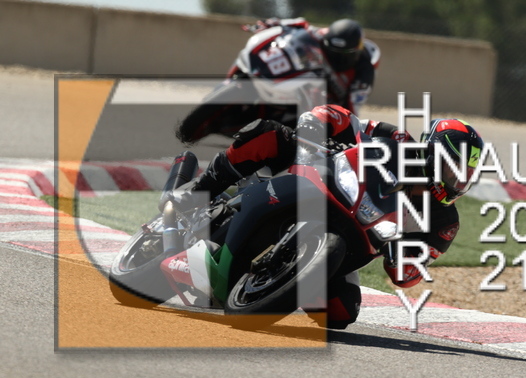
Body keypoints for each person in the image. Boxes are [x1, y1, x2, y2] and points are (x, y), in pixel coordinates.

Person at [166, 104, 484, 329]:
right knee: (270, 134)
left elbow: (408, 274)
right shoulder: (398, 141)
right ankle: (198, 191)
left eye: (466, 175)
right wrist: (316, 127)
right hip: (320, 180)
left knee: (343, 312)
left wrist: (401, 257)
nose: (458, 181)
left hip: (352, 242)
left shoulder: (444, 223)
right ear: (433, 153)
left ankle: (274, 283)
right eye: (453, 169)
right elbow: (343, 118)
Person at [176, 17, 379, 146]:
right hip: (301, 78)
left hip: (325, 102)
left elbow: (353, 107)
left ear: (356, 51)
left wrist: (345, 130)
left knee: (309, 129)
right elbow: (299, 26)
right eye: (333, 51)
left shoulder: (364, 71)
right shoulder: (320, 35)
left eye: (344, 54)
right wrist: (270, 24)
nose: (338, 57)